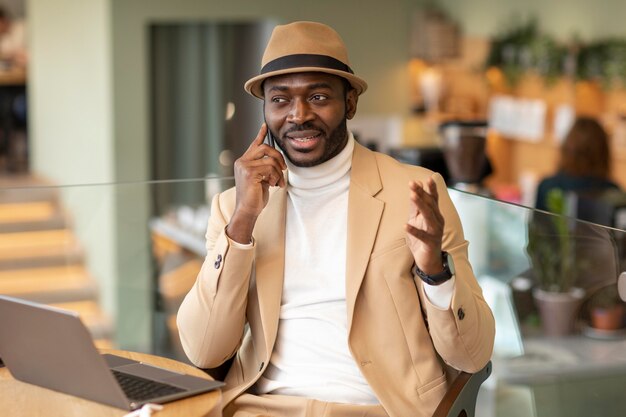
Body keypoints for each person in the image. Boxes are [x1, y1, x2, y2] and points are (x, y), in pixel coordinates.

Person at [177, 21, 495, 417]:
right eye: (280, 100)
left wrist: (435, 271)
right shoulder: (234, 207)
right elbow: (203, 348)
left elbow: (472, 353)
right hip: (262, 408)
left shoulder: (415, 191)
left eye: (318, 96)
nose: (298, 115)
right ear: (265, 109)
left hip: (379, 408)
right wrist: (242, 223)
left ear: (349, 104)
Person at [535, 117, 620, 212]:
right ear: (603, 153)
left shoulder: (548, 186)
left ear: (567, 149)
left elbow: (535, 225)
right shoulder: (613, 192)